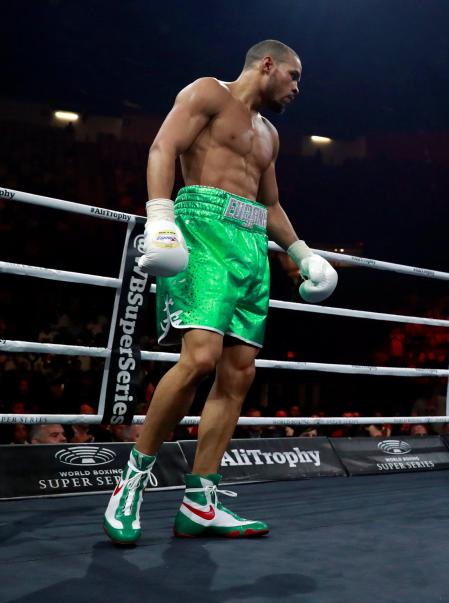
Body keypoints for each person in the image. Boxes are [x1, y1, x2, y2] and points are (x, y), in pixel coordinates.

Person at [103, 40, 337, 545]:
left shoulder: (269, 134)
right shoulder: (208, 92)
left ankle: (200, 502)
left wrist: (301, 254)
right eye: (293, 76)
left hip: (252, 247)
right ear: (267, 65)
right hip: (203, 232)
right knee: (200, 359)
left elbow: (270, 205)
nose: (297, 88)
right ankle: (131, 483)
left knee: (239, 372)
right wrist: (160, 216)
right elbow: (163, 147)